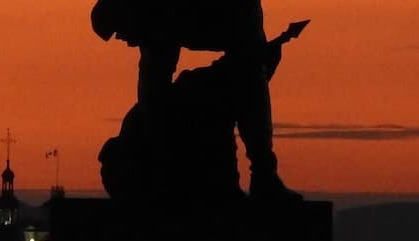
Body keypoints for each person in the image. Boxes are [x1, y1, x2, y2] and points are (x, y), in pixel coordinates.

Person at [93, 0, 302, 201]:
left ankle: (263, 174)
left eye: (122, 32)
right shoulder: (157, 27)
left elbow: (249, 73)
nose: (126, 41)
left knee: (250, 71)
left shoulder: (223, 13)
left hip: (238, 45)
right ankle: (254, 175)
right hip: (223, 71)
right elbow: (153, 94)